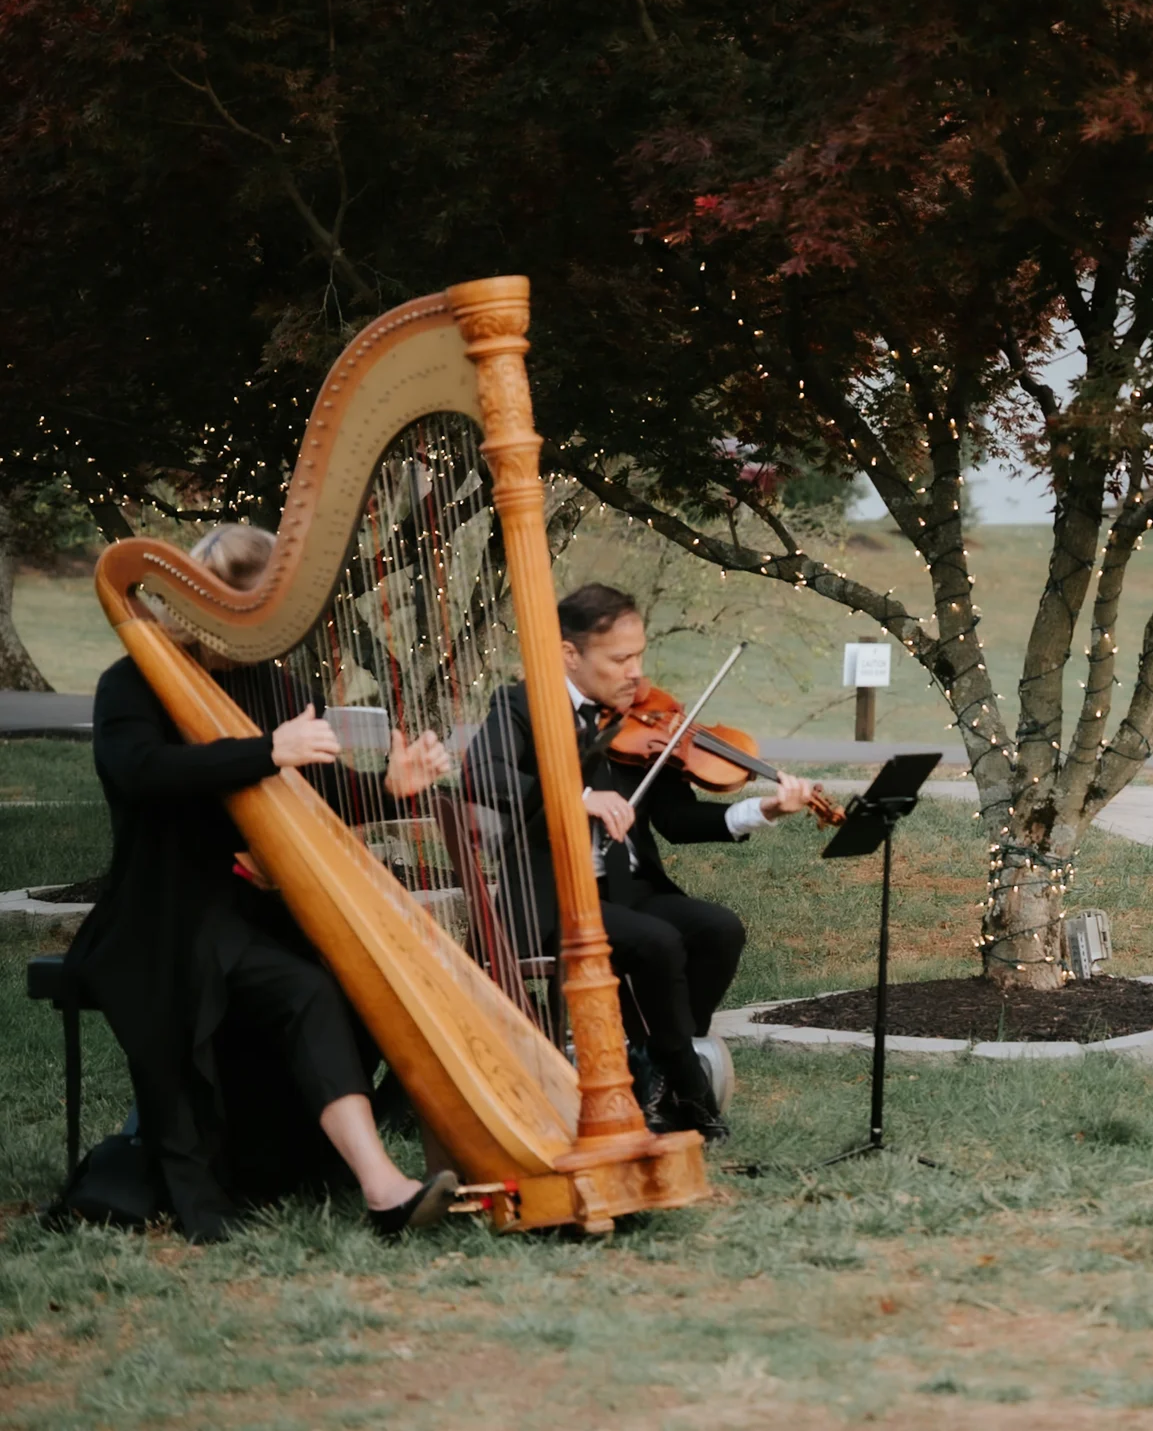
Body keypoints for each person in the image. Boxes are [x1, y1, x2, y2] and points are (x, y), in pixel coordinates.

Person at [65, 524, 461, 1243]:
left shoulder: (269, 681)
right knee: (303, 985)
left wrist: (390, 788)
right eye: (248, 615)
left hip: (240, 909)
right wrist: (266, 749)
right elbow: (142, 773)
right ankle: (367, 1181)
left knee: (340, 981)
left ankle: (352, 1173)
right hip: (161, 915)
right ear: (207, 609)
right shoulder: (130, 682)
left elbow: (317, 785)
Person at [463, 583, 817, 1140]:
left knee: (718, 929)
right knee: (656, 941)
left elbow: (677, 820)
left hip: (625, 889)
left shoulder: (636, 721)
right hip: (549, 899)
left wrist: (763, 809)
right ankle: (685, 1084)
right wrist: (578, 799)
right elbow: (481, 775)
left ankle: (651, 1066)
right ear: (569, 654)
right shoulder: (521, 707)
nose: (635, 672)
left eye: (640, 655)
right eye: (620, 658)